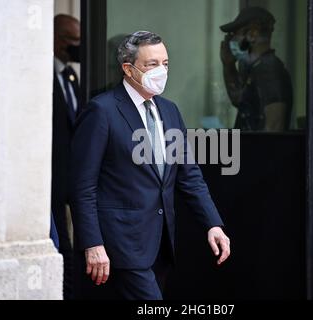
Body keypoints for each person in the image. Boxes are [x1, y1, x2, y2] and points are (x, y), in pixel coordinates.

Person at [69, 31, 231, 300]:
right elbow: (82, 186)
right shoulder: (102, 110)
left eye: (165, 64)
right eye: (152, 64)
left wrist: (212, 224)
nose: (161, 71)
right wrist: (92, 243)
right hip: (119, 245)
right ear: (128, 69)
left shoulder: (169, 111)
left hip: (160, 245)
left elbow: (189, 176)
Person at [220, 7, 293, 132]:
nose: (232, 40)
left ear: (252, 34)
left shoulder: (269, 70)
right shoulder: (257, 69)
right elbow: (240, 100)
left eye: (235, 34)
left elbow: (274, 128)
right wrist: (229, 65)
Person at [52, 14, 82, 300]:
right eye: (72, 41)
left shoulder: (71, 78)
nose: (77, 48)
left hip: (72, 179)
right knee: (61, 243)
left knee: (75, 243)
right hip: (52, 181)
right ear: (56, 39)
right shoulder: (43, 78)